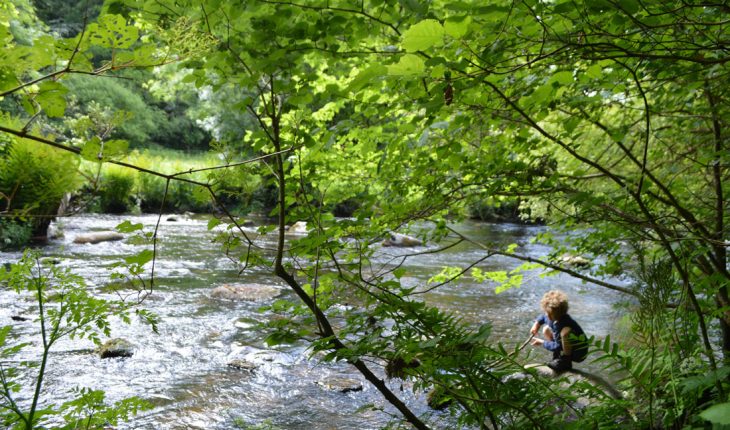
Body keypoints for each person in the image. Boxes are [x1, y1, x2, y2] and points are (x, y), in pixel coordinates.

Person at [529, 290, 588, 372]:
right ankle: (557, 356)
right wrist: (536, 324)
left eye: (547, 313)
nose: (545, 314)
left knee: (565, 332)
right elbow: (543, 317)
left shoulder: (562, 323)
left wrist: (542, 342)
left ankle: (566, 361)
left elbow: (558, 346)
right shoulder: (555, 316)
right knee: (546, 329)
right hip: (568, 346)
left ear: (551, 315)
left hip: (578, 353)